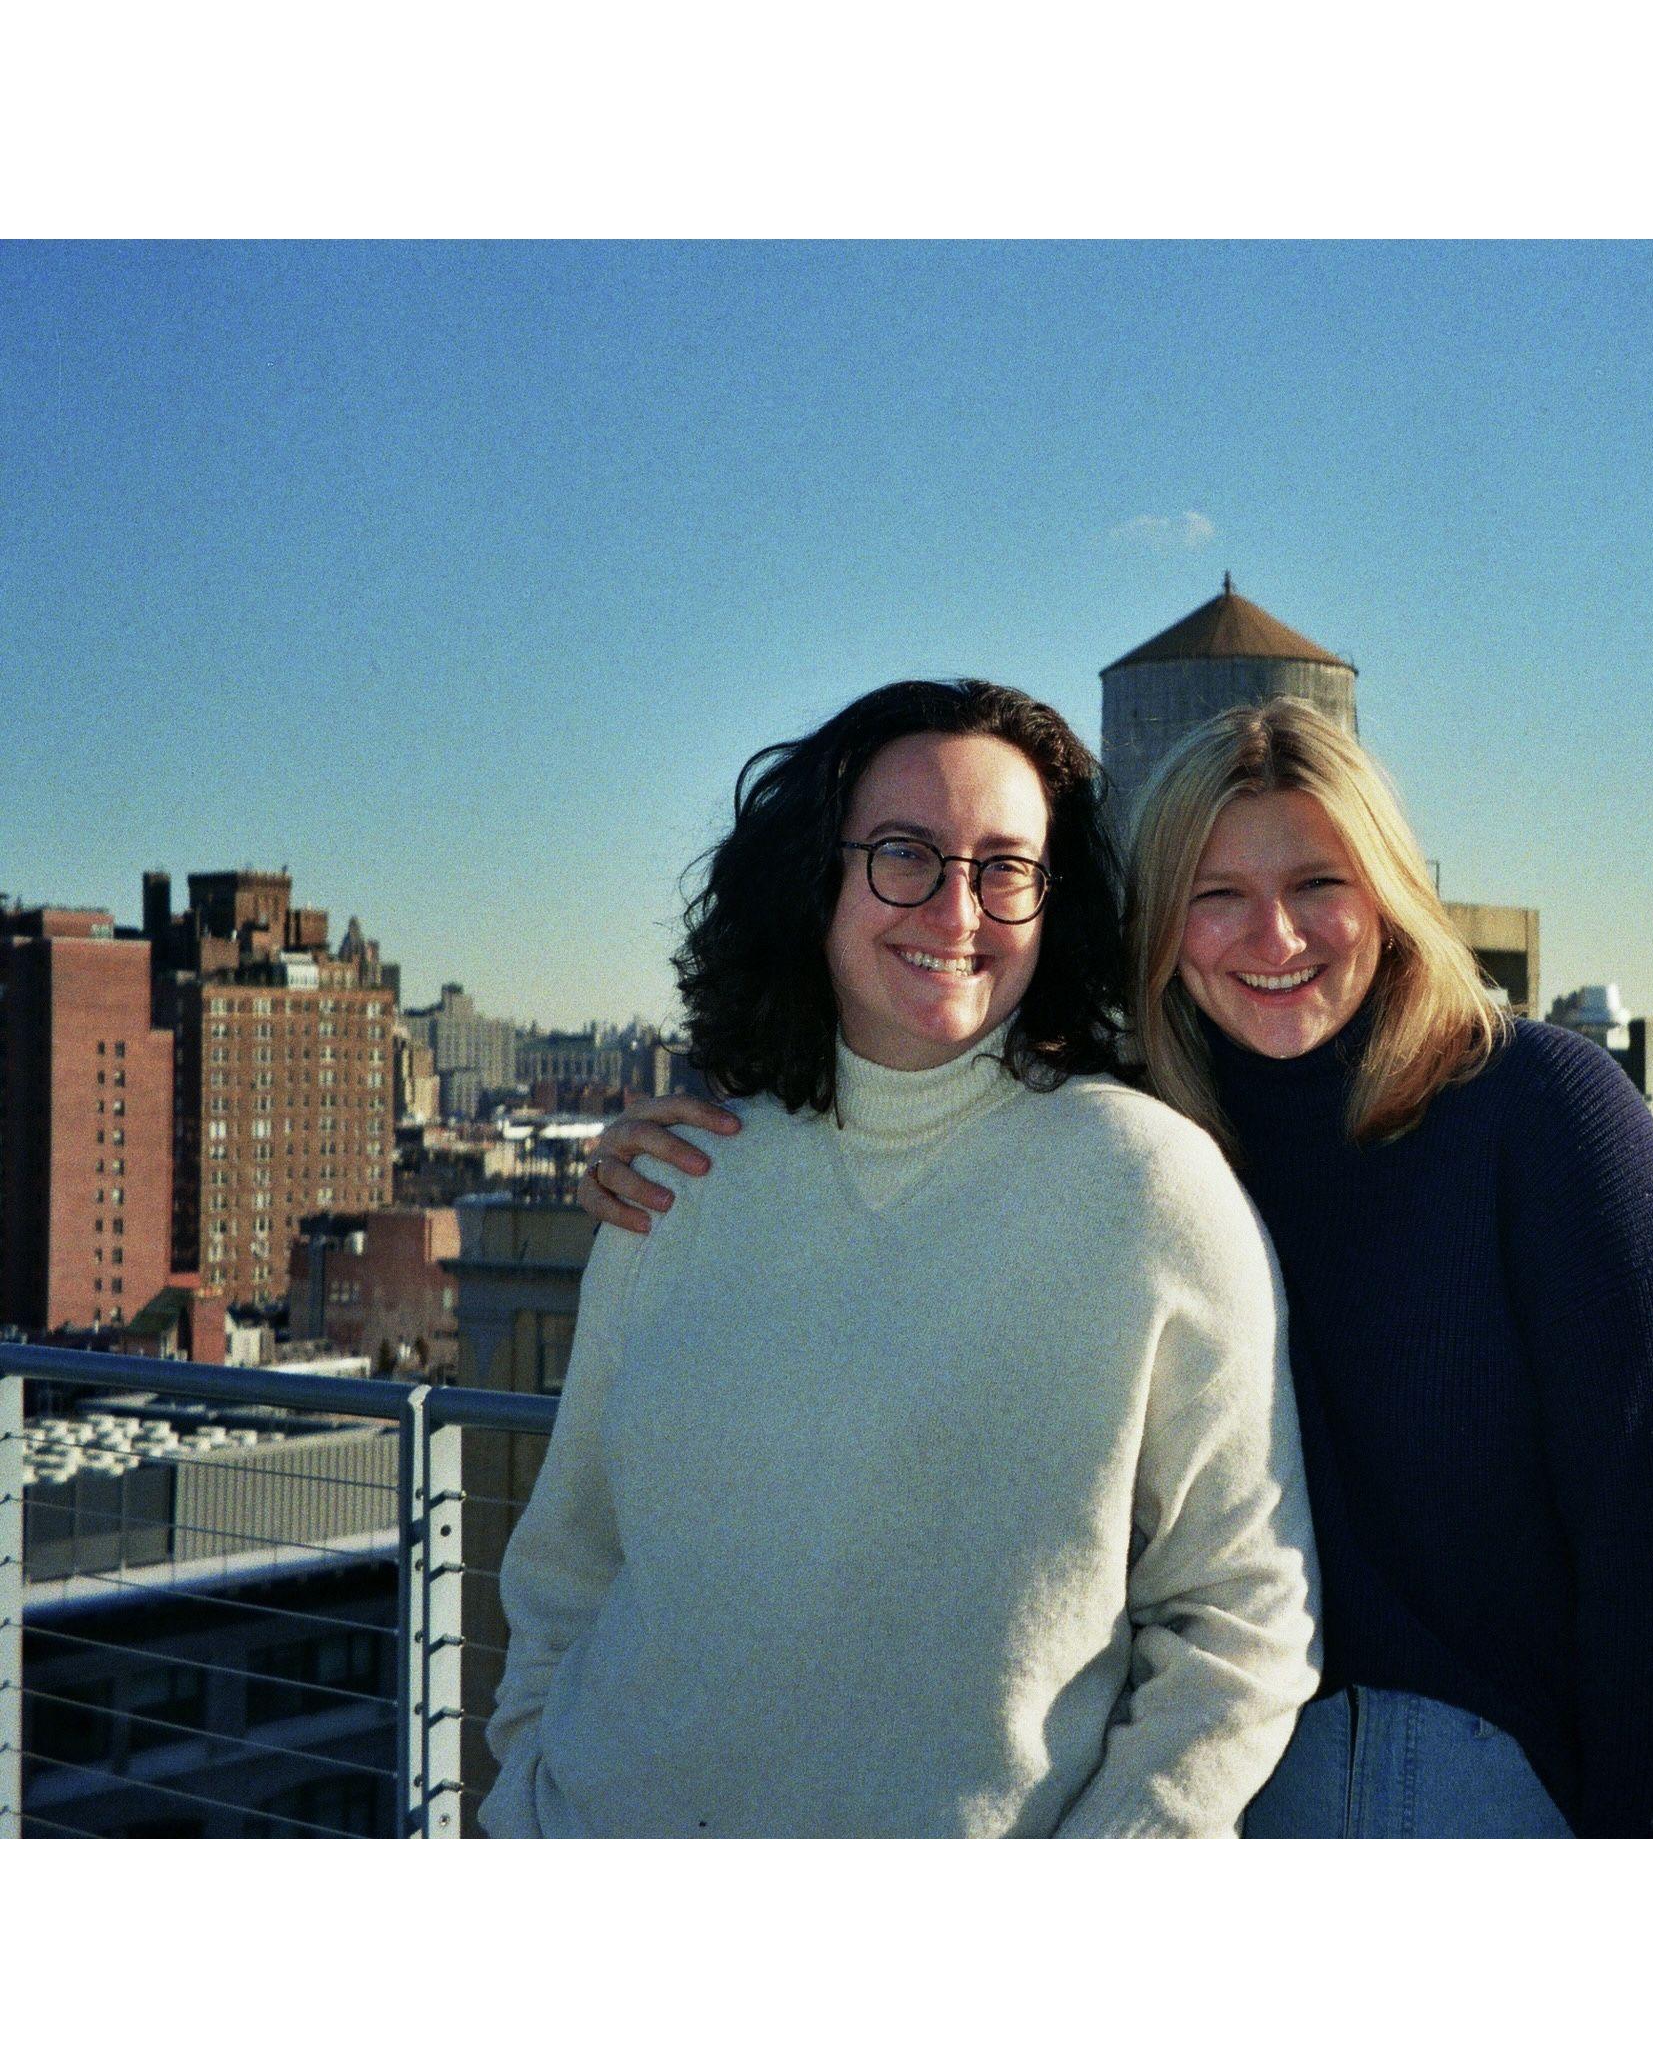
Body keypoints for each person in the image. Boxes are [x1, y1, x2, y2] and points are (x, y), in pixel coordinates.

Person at [586, 698, 1653, 1838]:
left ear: (1390, 898)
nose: (1275, 938)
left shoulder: (1543, 1115)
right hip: (1189, 1779)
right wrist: (682, 1154)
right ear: (1157, 926)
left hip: (1449, 1780)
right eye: (1217, 898)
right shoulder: (1135, 1137)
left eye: (1316, 887)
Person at [484, 678, 1318, 1838]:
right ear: (815, 876)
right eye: (905, 854)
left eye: (1004, 868)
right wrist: (530, 1805)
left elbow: (1243, 1622)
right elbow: (566, 1566)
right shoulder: (681, 1181)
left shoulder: (1146, 1187)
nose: (956, 910)